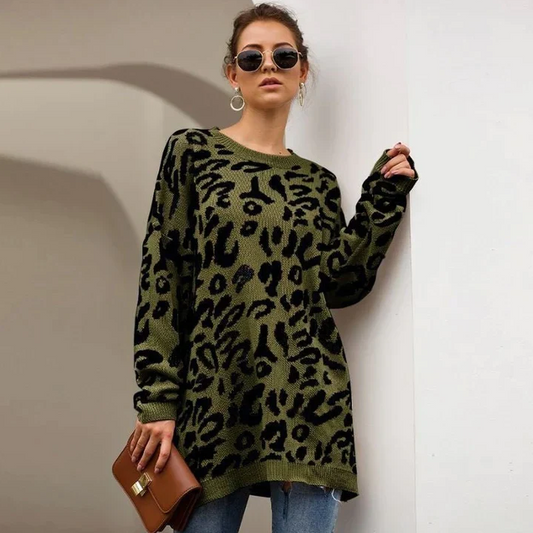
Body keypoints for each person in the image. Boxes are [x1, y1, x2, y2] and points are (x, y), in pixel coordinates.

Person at [128, 3, 419, 532]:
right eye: (252, 56)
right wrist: (158, 401)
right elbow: (162, 277)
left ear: (301, 71)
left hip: (311, 408)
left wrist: (382, 200)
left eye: (284, 56)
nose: (269, 65)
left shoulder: (318, 183)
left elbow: (340, 284)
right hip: (215, 403)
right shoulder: (192, 153)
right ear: (232, 72)